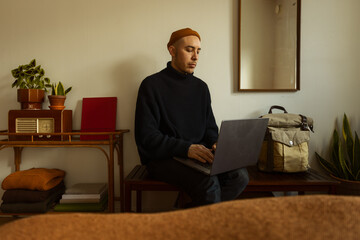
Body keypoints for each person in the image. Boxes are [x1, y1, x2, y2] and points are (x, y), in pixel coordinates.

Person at [135, 28, 249, 208]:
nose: (195, 56)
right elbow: (147, 138)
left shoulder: (201, 88)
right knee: (209, 184)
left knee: (240, 176)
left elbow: (211, 130)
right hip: (164, 158)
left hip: (198, 156)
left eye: (198, 51)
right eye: (189, 50)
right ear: (172, 51)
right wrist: (186, 148)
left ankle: (184, 215)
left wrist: (216, 144)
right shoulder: (151, 85)